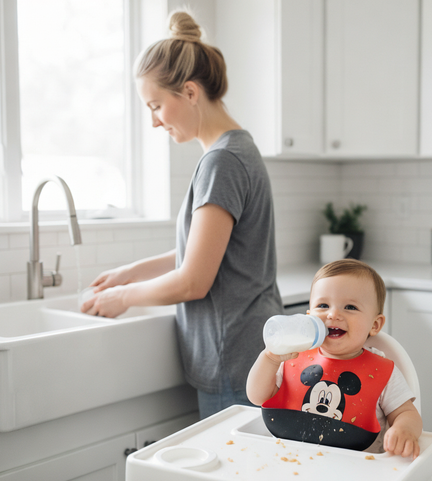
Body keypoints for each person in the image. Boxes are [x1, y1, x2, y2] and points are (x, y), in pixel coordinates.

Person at [81, 10, 283, 420]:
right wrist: (130, 272)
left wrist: (121, 297)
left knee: (230, 479)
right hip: (250, 350)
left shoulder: (222, 162)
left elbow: (194, 280)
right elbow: (207, 254)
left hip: (233, 358)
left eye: (156, 105)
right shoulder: (238, 149)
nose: (154, 122)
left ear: (190, 92)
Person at [219, 259, 422, 481]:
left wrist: (405, 430)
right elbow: (257, 396)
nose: (333, 315)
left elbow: (407, 412)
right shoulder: (292, 356)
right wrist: (268, 357)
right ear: (308, 315)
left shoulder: (383, 371)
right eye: (323, 306)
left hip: (353, 478)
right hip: (286, 467)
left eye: (350, 307)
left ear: (375, 324)